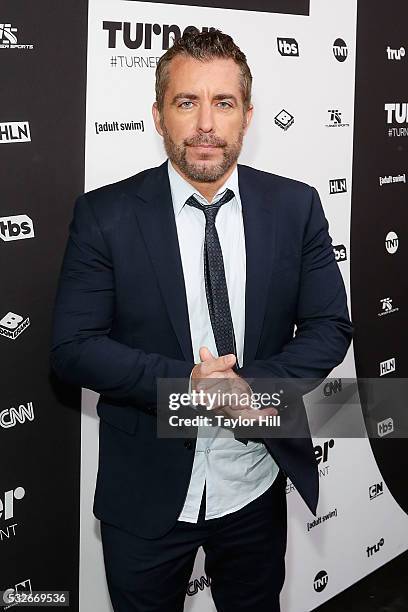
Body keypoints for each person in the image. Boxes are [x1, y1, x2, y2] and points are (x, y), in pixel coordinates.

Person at [51, 30, 353, 612]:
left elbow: (328, 326)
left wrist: (251, 388)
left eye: (224, 103)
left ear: (247, 116)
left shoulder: (297, 207)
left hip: (257, 484)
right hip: (147, 494)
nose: (206, 124)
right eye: (187, 102)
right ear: (159, 115)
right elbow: (73, 348)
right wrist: (186, 386)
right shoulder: (105, 215)